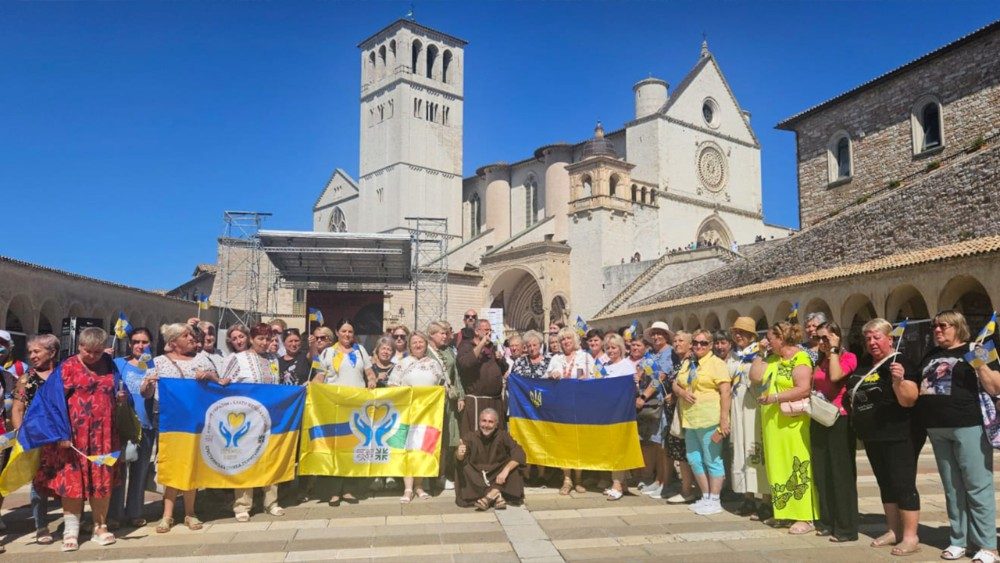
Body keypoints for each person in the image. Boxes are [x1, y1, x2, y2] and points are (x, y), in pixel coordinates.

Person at [33, 328, 125, 552]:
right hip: (73, 437)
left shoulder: (109, 364)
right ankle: (71, 530)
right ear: (79, 346)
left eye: (97, 351)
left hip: (104, 436)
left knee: (102, 480)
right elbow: (51, 402)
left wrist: (121, 397)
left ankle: (100, 527)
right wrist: (62, 433)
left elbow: (118, 390)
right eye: (87, 351)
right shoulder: (68, 367)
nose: (92, 356)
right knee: (72, 481)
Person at [916, 311, 998, 562]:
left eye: (943, 326)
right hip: (937, 428)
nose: (937, 330)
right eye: (935, 326)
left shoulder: (978, 348)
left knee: (977, 485)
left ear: (958, 327)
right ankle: (959, 540)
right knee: (952, 488)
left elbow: (995, 386)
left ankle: (988, 545)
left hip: (969, 425)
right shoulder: (931, 354)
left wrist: (979, 363)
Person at [845, 318, 921, 556]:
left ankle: (910, 537)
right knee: (885, 483)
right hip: (873, 435)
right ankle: (893, 530)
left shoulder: (901, 362)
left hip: (898, 434)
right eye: (868, 338)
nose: (872, 342)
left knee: (903, 484)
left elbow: (909, 400)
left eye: (877, 337)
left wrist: (899, 381)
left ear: (890, 339)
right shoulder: (866, 364)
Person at [142, 323, 223, 533]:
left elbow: (219, 385)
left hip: (195, 421)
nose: (191, 338)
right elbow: (146, 393)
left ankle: (190, 512)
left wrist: (210, 377)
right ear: (173, 341)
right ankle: (167, 515)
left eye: (191, 335)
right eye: (186, 335)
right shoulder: (158, 362)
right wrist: (148, 384)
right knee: (171, 464)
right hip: (169, 421)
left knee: (191, 464)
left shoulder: (202, 359)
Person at [748, 321, 818, 534]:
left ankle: (805, 516)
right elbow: (755, 377)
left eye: (770, 338)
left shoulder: (800, 358)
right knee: (778, 466)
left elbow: (804, 388)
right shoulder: (772, 358)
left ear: (781, 338)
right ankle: (784, 513)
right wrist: (760, 353)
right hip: (773, 424)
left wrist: (775, 397)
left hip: (793, 423)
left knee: (797, 465)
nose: (766, 341)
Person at [221, 323, 286, 521]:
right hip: (245, 418)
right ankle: (242, 504)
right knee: (245, 459)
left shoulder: (273, 359)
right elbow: (224, 385)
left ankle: (271, 501)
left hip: (270, 417)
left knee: (270, 458)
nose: (264, 343)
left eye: (268, 339)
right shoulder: (237, 359)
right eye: (260, 339)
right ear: (251, 339)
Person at [810, 322, 859, 542]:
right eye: (818, 338)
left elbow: (836, 376)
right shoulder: (819, 360)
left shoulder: (848, 357)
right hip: (820, 418)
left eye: (826, 338)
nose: (821, 342)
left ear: (836, 337)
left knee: (841, 474)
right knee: (822, 472)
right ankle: (827, 521)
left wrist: (834, 350)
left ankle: (846, 527)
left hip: (840, 418)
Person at [318, 319, 376, 505]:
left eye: (350, 331)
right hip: (334, 406)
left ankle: (349, 490)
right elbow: (320, 375)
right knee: (335, 448)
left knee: (352, 447)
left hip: (355, 407)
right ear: (337, 332)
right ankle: (334, 491)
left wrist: (372, 380)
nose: (347, 335)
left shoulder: (360, 351)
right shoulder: (328, 352)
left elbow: (369, 373)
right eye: (343, 331)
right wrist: (312, 387)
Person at [673, 330, 731, 515]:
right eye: (696, 342)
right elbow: (676, 383)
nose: (699, 346)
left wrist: (724, 419)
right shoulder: (688, 362)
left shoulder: (717, 364)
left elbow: (725, 392)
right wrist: (682, 392)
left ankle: (715, 499)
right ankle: (705, 496)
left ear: (710, 345)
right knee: (694, 459)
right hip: (690, 419)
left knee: (712, 459)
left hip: (709, 419)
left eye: (704, 343)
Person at [11, 334, 60, 544]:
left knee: (68, 479)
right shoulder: (26, 379)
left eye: (37, 351)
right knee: (39, 483)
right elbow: (17, 409)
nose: (32, 356)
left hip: (61, 436)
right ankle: (41, 526)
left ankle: (73, 522)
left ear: (52, 352)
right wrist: (21, 434)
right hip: (36, 437)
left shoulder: (64, 374)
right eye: (30, 352)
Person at [109, 328, 158, 529]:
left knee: (140, 470)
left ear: (150, 344)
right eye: (136, 341)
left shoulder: (154, 366)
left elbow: (150, 394)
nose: (140, 345)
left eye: (144, 342)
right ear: (129, 344)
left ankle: (135, 512)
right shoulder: (117, 363)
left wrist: (149, 385)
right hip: (121, 423)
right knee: (119, 471)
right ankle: (114, 514)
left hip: (145, 424)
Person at [389, 331, 446, 503]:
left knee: (423, 448)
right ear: (409, 346)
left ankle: (419, 486)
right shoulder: (402, 364)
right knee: (408, 449)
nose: (418, 345)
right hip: (408, 413)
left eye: (421, 341)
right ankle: (407, 488)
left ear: (426, 344)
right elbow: (392, 386)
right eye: (414, 342)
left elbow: (442, 385)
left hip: (428, 414)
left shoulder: (434, 364)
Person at [727, 318, 770, 521]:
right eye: (736, 332)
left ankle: (766, 499)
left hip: (754, 407)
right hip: (737, 407)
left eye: (743, 332)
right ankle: (748, 497)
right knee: (741, 450)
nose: (738, 335)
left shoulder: (760, 353)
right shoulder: (733, 356)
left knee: (757, 449)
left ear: (752, 335)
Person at [545, 326, 595, 495]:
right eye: (562, 339)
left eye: (568, 338)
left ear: (575, 340)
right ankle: (567, 479)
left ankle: (579, 479)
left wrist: (587, 379)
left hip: (580, 406)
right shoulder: (556, 359)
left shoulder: (586, 357)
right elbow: (545, 379)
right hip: (561, 407)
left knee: (579, 442)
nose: (565, 341)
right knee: (564, 443)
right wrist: (551, 376)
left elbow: (596, 378)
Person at [455, 408, 525, 510]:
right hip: (478, 475)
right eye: (484, 421)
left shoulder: (503, 436)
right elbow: (460, 457)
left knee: (514, 466)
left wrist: (505, 471)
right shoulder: (471, 436)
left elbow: (519, 452)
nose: (486, 425)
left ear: (496, 424)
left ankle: (488, 497)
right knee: (464, 467)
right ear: (479, 422)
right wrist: (459, 454)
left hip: (498, 474)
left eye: (490, 422)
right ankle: (497, 494)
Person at [602, 333, 640, 501]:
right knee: (612, 448)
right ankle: (622, 483)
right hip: (607, 412)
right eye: (608, 348)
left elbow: (632, 389)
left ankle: (617, 484)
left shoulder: (626, 365)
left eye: (614, 347)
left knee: (619, 447)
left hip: (621, 413)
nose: (611, 351)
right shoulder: (604, 366)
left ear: (621, 348)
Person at [427, 322, 464, 491]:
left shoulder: (448, 351)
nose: (445, 336)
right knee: (433, 438)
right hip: (432, 402)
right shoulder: (426, 351)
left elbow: (456, 375)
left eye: (446, 333)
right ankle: (429, 475)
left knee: (448, 439)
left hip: (449, 401)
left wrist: (460, 396)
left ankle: (442, 475)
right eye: (441, 333)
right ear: (432, 334)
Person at [457, 319, 507, 437]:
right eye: (486, 330)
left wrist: (501, 360)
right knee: (476, 437)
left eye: (490, 330)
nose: (489, 333)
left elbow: (504, 369)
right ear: (476, 331)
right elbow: (466, 363)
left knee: (495, 436)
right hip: (476, 401)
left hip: (495, 400)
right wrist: (481, 344)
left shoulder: (493, 347)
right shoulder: (466, 346)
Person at [631, 337, 668, 495]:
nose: (656, 336)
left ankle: (662, 480)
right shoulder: (650, 356)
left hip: (656, 404)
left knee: (659, 445)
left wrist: (643, 396)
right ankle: (651, 478)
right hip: (645, 405)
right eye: (654, 333)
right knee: (649, 442)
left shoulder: (666, 354)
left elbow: (659, 378)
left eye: (660, 333)